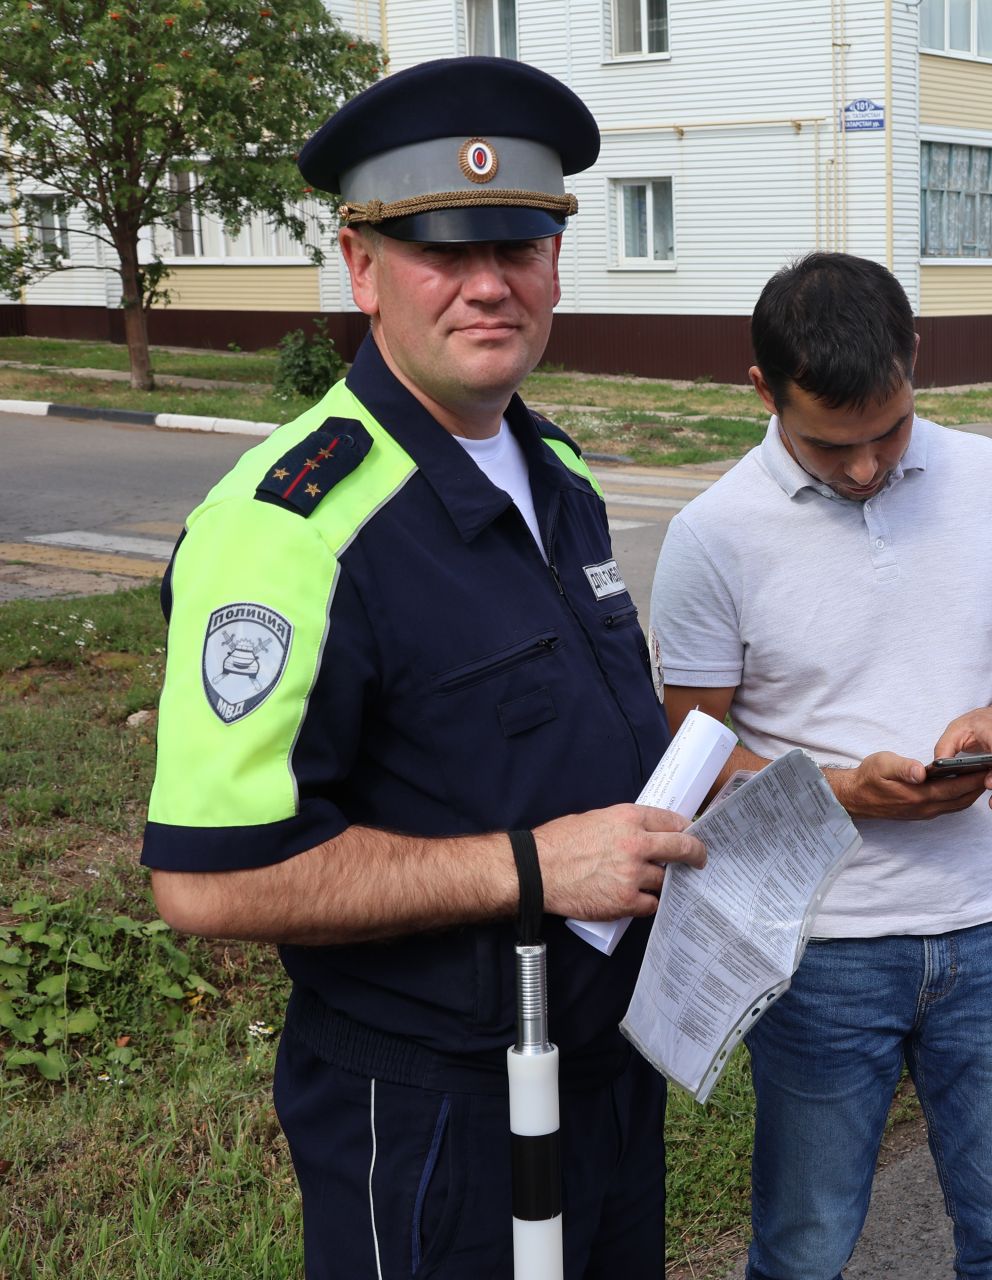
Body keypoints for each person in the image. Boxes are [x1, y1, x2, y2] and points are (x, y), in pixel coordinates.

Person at [142, 57, 704, 1279]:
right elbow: (209, 882)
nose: (490, 285)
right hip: (437, 1108)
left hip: (606, 1069)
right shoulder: (289, 526)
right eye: (443, 250)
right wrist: (534, 867)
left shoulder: (559, 471)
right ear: (361, 263)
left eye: (521, 244)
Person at [649, 251, 992, 1280]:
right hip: (822, 949)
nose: (864, 468)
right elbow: (693, 757)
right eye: (830, 444)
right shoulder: (710, 536)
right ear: (763, 391)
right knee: (804, 1247)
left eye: (888, 432)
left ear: (915, 361)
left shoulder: (988, 477)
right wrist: (841, 792)